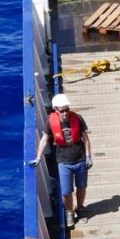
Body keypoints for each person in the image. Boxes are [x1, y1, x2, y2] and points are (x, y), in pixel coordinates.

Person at [30, 93, 92, 227]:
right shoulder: (50, 123)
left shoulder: (78, 118)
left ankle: (80, 208)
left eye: (67, 109)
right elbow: (44, 140)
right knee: (66, 191)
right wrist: (38, 158)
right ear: (56, 110)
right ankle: (69, 212)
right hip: (64, 162)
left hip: (80, 159)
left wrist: (88, 156)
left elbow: (85, 138)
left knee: (82, 187)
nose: (65, 113)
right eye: (62, 110)